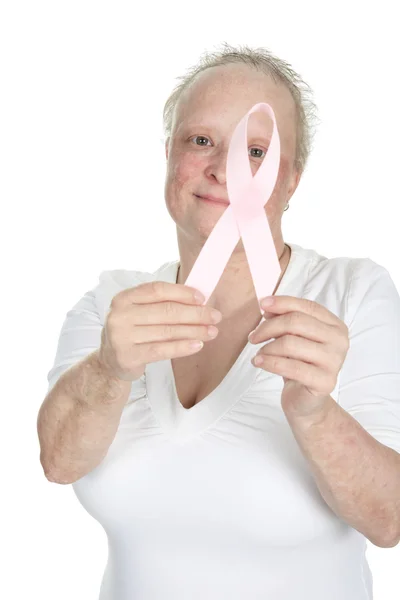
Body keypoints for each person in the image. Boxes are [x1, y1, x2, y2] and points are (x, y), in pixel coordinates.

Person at [37, 43, 400, 600]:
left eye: (256, 151)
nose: (224, 170)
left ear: (292, 180)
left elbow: (389, 520)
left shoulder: (352, 295)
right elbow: (58, 463)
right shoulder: (113, 303)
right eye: (201, 140)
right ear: (168, 155)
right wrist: (108, 371)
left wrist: (315, 412)